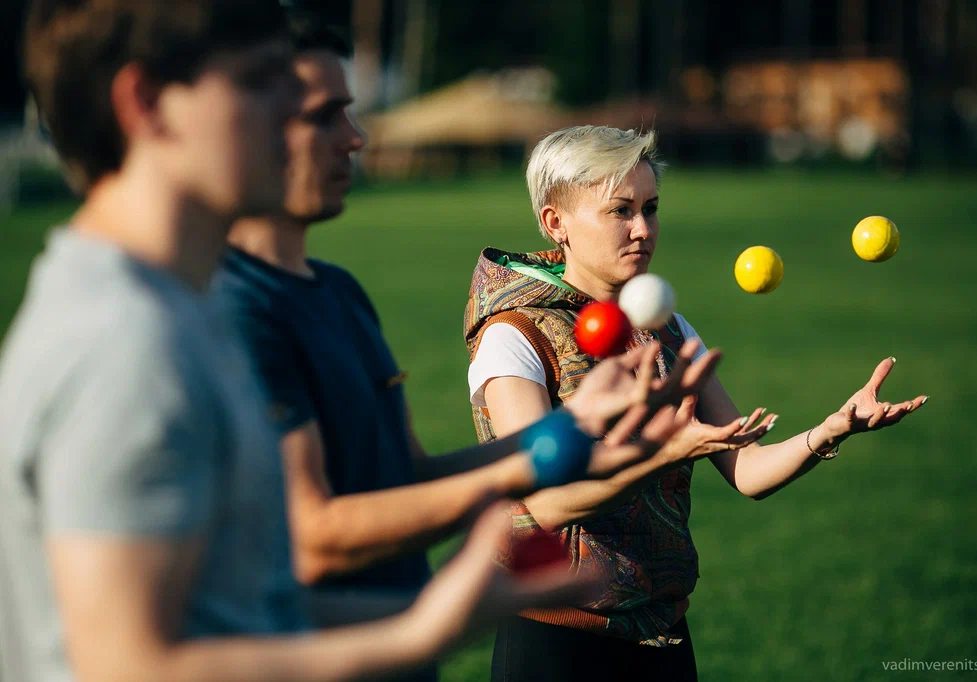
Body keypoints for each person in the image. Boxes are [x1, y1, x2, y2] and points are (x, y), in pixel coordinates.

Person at [0, 6, 668, 682]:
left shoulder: (178, 308)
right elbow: (128, 666)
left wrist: (566, 437)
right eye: (264, 86)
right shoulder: (123, 339)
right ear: (147, 104)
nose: (341, 134)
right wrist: (416, 632)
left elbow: (239, 608)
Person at [211, 10, 734, 661]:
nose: (355, 137)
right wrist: (435, 618)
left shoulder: (340, 293)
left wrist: (567, 434)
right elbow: (316, 535)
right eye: (324, 113)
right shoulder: (225, 309)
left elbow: (407, 477)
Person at [463, 125, 929, 682]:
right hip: (553, 638)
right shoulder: (514, 335)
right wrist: (660, 457)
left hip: (661, 630)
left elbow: (747, 469)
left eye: (651, 208)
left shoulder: (669, 331)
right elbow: (547, 503)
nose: (642, 229)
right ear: (555, 222)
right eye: (620, 211)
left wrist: (830, 430)